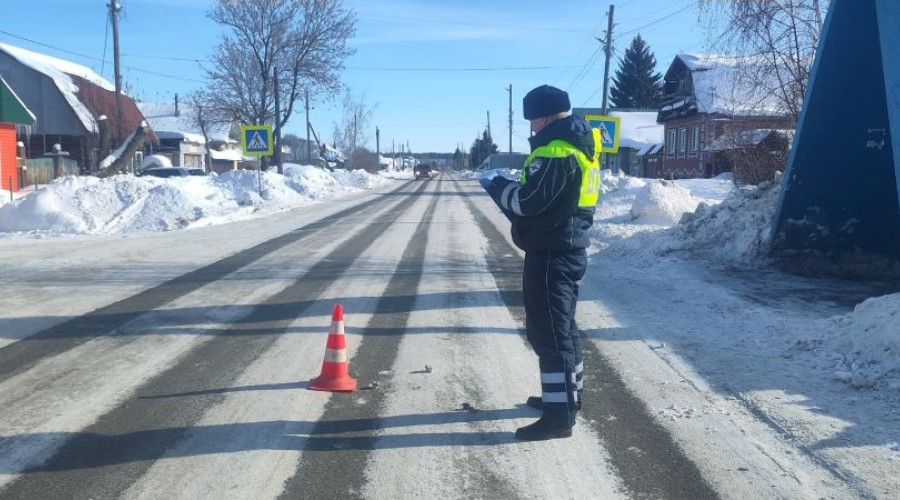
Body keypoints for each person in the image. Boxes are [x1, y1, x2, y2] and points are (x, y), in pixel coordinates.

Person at [481, 84, 601, 441]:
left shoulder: (556, 151)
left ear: (544, 117)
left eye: (532, 120)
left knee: (549, 334)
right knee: (564, 330)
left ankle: (558, 415)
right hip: (567, 247)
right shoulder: (578, 146)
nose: (531, 127)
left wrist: (496, 186)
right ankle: (567, 397)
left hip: (551, 252)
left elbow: (527, 203)